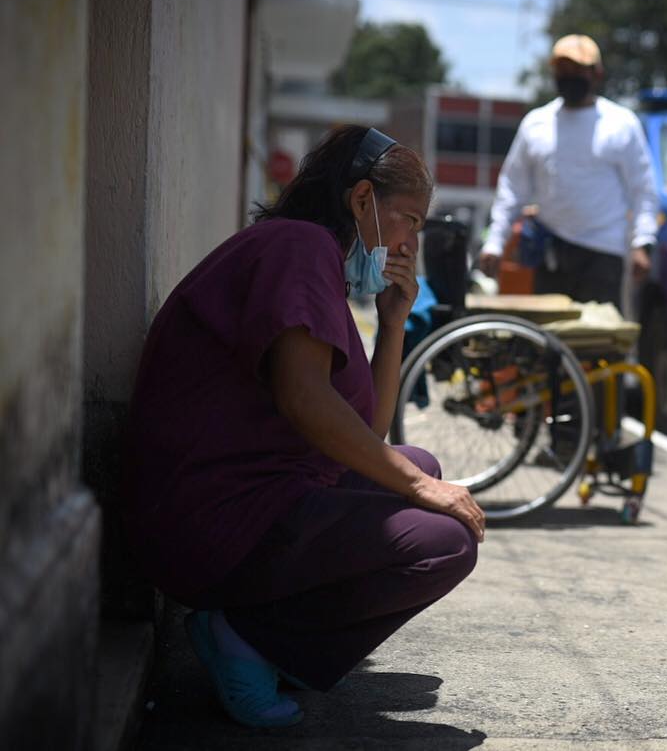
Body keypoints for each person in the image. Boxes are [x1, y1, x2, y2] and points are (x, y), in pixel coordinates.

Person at [121, 126, 486, 729]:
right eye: (410, 220)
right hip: (211, 522)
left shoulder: (311, 261)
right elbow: (303, 397)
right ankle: (248, 635)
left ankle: (266, 637)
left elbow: (366, 430)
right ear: (363, 200)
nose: (408, 242)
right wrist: (421, 492)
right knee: (443, 539)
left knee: (418, 466)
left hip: (247, 503)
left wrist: (393, 324)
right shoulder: (297, 249)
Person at [478, 34, 660, 307]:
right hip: (551, 251)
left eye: (578, 70)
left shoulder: (621, 123)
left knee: (598, 342)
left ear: (596, 74)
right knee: (550, 341)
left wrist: (642, 244)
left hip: (603, 252)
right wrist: (495, 242)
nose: (569, 75)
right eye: (563, 69)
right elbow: (512, 188)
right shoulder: (536, 124)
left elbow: (643, 189)